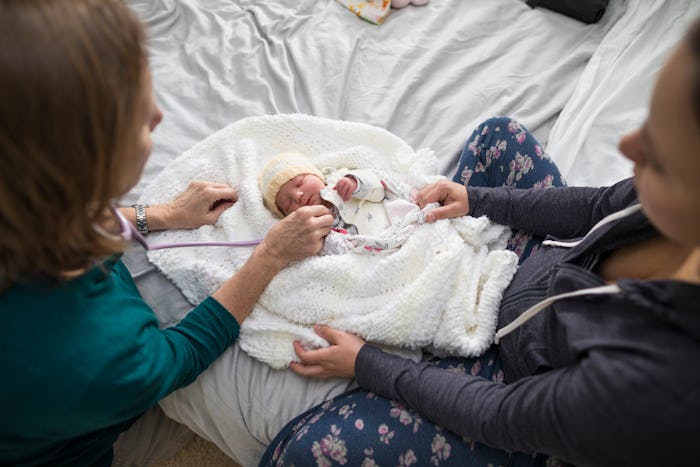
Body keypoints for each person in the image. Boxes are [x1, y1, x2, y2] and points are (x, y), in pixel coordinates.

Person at [259, 21, 700, 467]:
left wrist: (366, 363)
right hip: (520, 263)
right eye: (648, 123)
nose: (628, 146)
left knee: (302, 454)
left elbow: (498, 414)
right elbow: (598, 206)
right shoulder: (665, 211)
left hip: (508, 382)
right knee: (497, 135)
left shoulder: (653, 383)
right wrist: (477, 200)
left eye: (658, 156)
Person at [0, 1, 334, 465]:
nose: (159, 115)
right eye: (138, 116)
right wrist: (270, 257)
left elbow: (69, 218)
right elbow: (179, 354)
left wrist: (163, 214)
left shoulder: (22, 196)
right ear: (82, 165)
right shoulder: (96, 353)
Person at [260, 151, 423, 254]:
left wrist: (356, 184)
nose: (298, 195)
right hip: (377, 254)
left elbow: (379, 190)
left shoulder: (339, 182)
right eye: (289, 202)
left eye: (300, 182)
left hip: (402, 224)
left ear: (317, 175)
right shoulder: (314, 230)